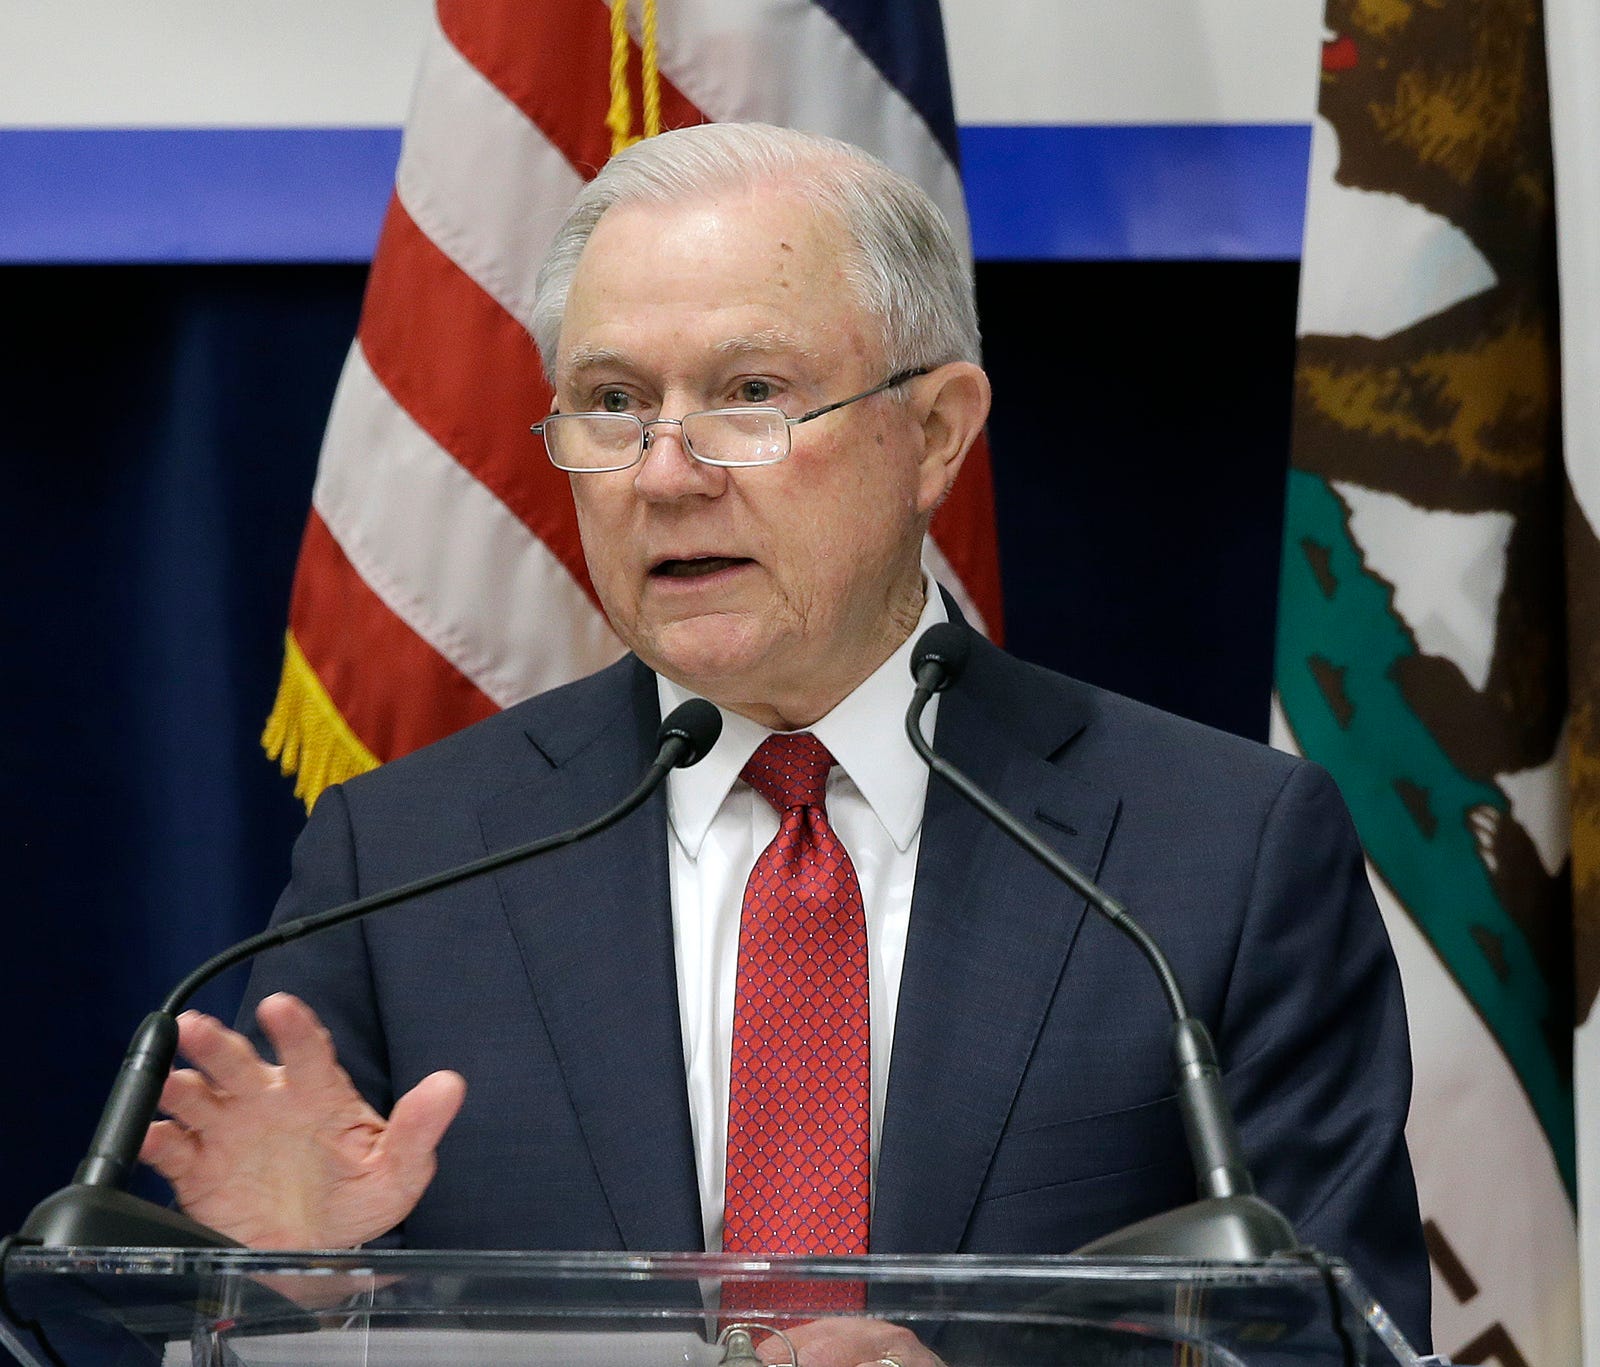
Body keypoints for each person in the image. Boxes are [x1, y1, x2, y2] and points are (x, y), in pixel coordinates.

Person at [140, 122, 1430, 1353]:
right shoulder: (405, 861)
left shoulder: (1216, 855)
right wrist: (294, 1297)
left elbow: (1334, 1343)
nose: (664, 471)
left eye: (752, 394)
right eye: (610, 402)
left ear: (935, 432)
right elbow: (268, 1313)